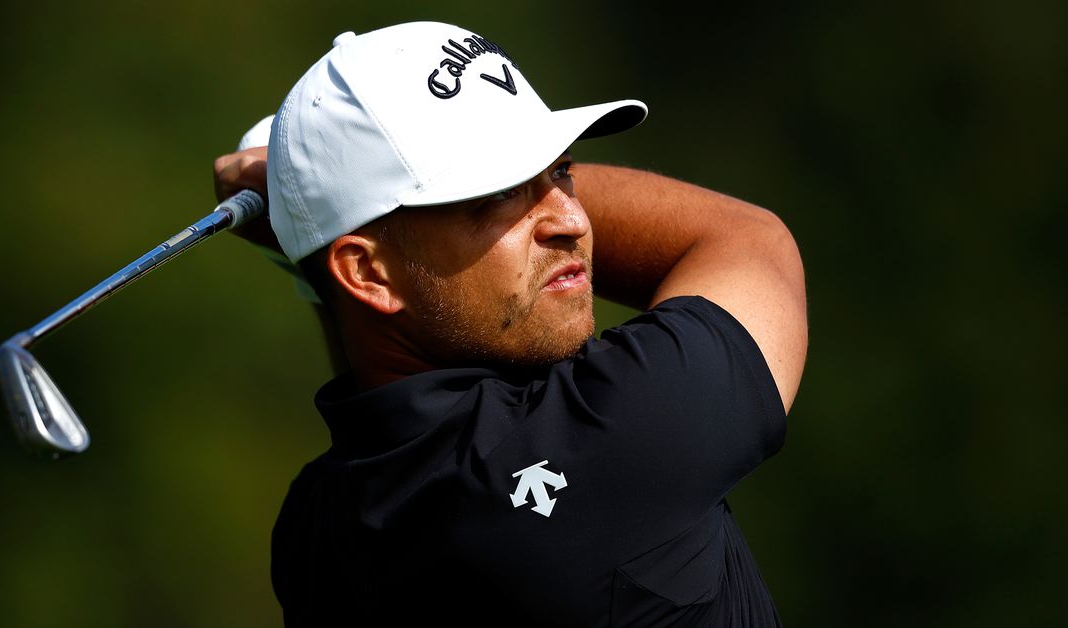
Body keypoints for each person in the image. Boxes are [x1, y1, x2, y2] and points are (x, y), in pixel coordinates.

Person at [213, 21, 806, 627]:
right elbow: (749, 240)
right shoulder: (612, 429)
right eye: (497, 193)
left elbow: (368, 345)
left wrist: (309, 220)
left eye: (561, 171)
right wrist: (303, 216)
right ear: (367, 273)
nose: (573, 219)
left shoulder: (314, 530)